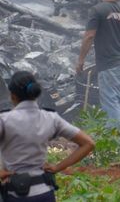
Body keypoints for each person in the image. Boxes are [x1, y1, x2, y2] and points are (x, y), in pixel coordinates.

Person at [0, 71, 95, 201]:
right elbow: (88, 143)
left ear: (12, 95)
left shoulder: (4, 120)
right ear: (36, 94)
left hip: (14, 194)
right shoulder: (51, 118)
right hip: (45, 192)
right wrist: (57, 167)